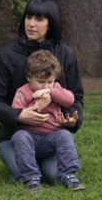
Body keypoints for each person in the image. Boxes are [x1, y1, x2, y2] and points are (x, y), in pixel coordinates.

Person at [0, 0, 84, 183]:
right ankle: (25, 164)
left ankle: (43, 162)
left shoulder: (66, 54)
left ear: (50, 23)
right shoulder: (6, 55)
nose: (31, 24)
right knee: (25, 176)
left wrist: (71, 119)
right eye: (28, 17)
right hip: (15, 135)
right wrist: (19, 115)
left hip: (50, 134)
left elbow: (76, 96)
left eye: (39, 19)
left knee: (53, 177)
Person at [11, 50, 84, 191]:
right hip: (29, 137)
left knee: (65, 135)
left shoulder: (54, 88)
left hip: (51, 138)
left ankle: (69, 174)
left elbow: (70, 100)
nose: (45, 86)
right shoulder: (23, 91)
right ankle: (31, 178)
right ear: (28, 77)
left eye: (50, 81)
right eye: (40, 82)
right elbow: (16, 112)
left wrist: (52, 91)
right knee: (19, 136)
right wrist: (36, 105)